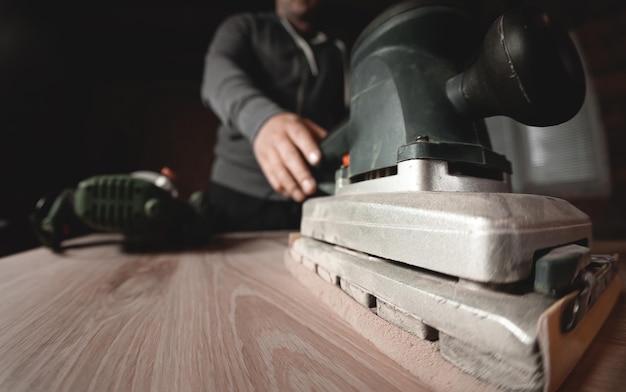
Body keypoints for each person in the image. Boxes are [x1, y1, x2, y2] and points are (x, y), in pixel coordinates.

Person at [200, 0, 349, 232]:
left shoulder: (337, 50)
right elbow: (217, 76)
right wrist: (262, 121)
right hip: (239, 194)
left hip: (313, 194)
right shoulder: (244, 27)